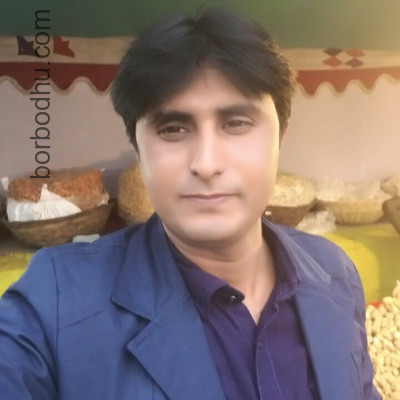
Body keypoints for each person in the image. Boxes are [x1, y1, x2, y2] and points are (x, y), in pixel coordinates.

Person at [0, 7, 381, 400]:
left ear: (280, 136)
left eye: (236, 123)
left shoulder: (334, 273)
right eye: (173, 128)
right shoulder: (55, 304)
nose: (207, 163)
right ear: (138, 148)